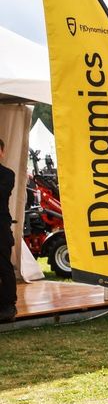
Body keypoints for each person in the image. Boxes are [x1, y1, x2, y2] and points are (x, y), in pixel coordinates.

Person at [0, 138, 16, 323]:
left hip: (1, 228)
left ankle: (9, 305)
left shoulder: (7, 174)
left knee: (4, 266)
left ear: (2, 152)